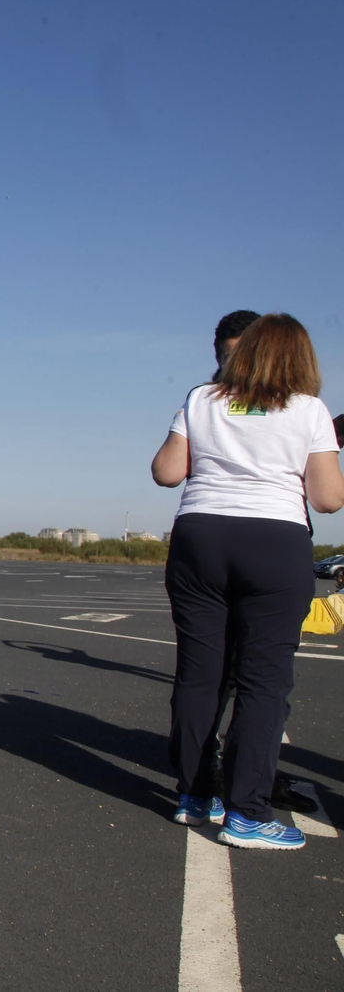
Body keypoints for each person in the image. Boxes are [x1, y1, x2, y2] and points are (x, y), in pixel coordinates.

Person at [151, 313, 344, 849]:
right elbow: (328, 498)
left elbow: (167, 471)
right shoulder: (308, 409)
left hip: (199, 535)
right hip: (273, 540)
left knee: (199, 673)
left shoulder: (202, 398)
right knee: (263, 681)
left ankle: (192, 794)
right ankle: (247, 811)